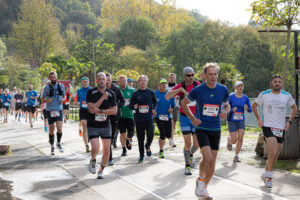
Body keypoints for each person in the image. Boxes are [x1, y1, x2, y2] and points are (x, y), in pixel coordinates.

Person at [181, 63, 230, 199]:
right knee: (207, 158)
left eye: (215, 74)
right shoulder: (198, 90)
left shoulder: (223, 89)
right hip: (202, 127)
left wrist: (225, 112)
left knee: (213, 162)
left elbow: (227, 106)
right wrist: (192, 119)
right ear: (205, 75)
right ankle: (201, 179)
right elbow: (183, 104)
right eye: (210, 74)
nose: (213, 77)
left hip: (216, 128)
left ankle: (203, 187)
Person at [252, 74, 297, 188]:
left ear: (281, 84)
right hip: (268, 126)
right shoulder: (264, 94)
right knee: (274, 151)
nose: (277, 83)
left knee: (275, 154)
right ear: (271, 83)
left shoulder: (286, 95)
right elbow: (254, 105)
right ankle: (269, 177)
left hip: (280, 128)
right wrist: (259, 119)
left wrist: (289, 122)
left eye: (279, 82)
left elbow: (294, 108)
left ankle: (265, 174)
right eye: (275, 82)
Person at [166, 67, 201, 175]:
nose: (191, 77)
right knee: (187, 142)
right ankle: (187, 165)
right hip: (184, 117)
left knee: (196, 144)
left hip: (195, 117)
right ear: (184, 76)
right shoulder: (181, 85)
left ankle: (190, 154)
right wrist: (180, 90)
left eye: (192, 75)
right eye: (188, 75)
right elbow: (167, 96)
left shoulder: (198, 84)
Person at [87, 72, 117, 179]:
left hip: (105, 125)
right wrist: (103, 98)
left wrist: (100, 110)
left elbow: (114, 111)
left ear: (106, 80)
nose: (102, 81)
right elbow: (91, 110)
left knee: (107, 150)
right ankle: (93, 159)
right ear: (96, 80)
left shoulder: (111, 93)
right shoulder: (91, 92)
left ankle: (101, 170)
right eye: (99, 79)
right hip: (93, 125)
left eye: (103, 79)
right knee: (95, 148)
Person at [130, 75, 157, 163]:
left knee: (151, 134)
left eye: (144, 80)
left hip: (149, 118)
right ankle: (141, 155)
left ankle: (147, 146)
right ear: (138, 82)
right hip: (139, 119)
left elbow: (155, 102)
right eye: (141, 80)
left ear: (147, 82)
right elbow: (131, 105)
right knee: (140, 138)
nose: (143, 82)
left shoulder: (151, 92)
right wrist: (134, 106)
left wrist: (154, 109)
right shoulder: (135, 94)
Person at [226, 81, 252, 162]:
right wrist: (231, 109)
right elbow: (225, 107)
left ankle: (236, 156)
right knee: (235, 140)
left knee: (240, 138)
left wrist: (247, 108)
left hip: (241, 120)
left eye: (241, 86)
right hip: (232, 120)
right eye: (238, 86)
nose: (240, 88)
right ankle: (229, 141)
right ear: (235, 88)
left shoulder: (245, 98)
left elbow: (250, 110)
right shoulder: (231, 97)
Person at [42, 72, 65, 155]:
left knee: (59, 127)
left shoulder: (61, 86)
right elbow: (42, 99)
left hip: (58, 109)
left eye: (54, 77)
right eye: (51, 77)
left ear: (56, 77)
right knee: (52, 128)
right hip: (50, 110)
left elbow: (64, 96)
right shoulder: (47, 88)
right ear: (50, 78)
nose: (53, 78)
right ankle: (52, 145)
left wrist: (63, 100)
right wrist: (47, 100)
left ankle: (58, 143)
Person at [155, 78, 175, 158]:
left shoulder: (169, 93)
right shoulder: (155, 93)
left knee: (168, 133)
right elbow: (152, 103)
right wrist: (153, 110)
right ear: (159, 85)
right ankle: (161, 150)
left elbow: (173, 105)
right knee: (162, 134)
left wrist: (172, 109)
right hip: (158, 116)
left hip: (167, 116)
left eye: (165, 84)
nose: (164, 85)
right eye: (162, 84)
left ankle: (170, 141)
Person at [118, 75, 135, 157]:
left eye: (124, 80)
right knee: (122, 133)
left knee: (131, 132)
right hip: (120, 115)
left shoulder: (132, 90)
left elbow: (135, 101)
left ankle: (128, 140)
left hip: (129, 115)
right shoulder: (117, 90)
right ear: (119, 82)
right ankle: (124, 149)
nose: (123, 82)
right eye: (121, 80)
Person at [76, 77, 91, 153]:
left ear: (88, 82)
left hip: (90, 110)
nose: (85, 83)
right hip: (82, 110)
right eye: (84, 82)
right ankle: (86, 145)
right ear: (81, 82)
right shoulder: (79, 91)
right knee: (84, 126)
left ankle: (88, 137)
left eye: (86, 81)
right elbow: (77, 100)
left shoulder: (91, 90)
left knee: (89, 127)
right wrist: (78, 102)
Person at [167, 73, 178, 148]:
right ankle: (170, 139)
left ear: (175, 78)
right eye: (170, 77)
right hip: (167, 107)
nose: (172, 78)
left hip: (175, 107)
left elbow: (179, 97)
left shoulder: (178, 87)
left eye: (173, 77)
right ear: (168, 78)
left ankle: (171, 139)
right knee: (167, 123)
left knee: (173, 124)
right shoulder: (166, 87)